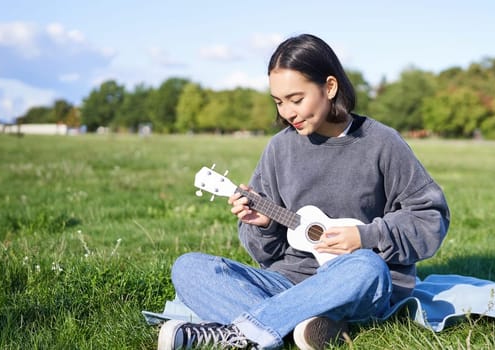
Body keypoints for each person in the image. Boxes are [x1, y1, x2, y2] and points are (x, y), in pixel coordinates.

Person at [157, 34, 450, 350]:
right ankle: (299, 325)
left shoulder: (381, 143)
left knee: (366, 266)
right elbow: (265, 256)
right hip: (289, 282)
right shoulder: (279, 149)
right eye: (279, 102)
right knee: (188, 268)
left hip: (358, 286)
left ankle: (246, 333)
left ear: (330, 87)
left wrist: (366, 237)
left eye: (296, 99)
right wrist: (265, 226)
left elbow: (430, 217)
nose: (287, 113)